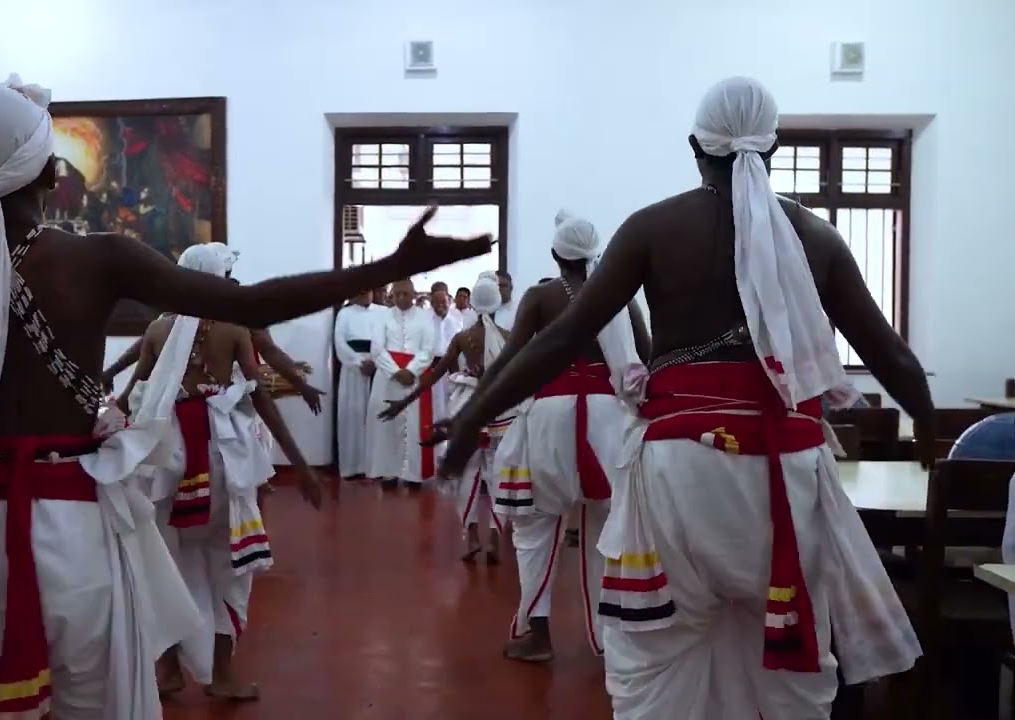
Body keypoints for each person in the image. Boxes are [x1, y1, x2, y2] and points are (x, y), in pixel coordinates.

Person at [0, 76, 491, 720]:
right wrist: (387, 264)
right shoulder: (99, 259)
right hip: (71, 528)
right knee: (90, 693)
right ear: (51, 175)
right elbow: (254, 303)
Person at [438, 76, 928, 718]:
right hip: (789, 474)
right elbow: (890, 355)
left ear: (696, 147)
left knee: (655, 651)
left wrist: (472, 416)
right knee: (786, 661)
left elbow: (562, 341)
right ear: (772, 147)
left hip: (680, 468)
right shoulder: (820, 239)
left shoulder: (650, 229)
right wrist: (933, 445)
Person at [118, 242, 322, 702]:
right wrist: (302, 465)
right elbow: (258, 396)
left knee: (166, 561)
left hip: (168, 459)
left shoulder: (158, 329)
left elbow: (135, 394)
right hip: (221, 458)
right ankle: (222, 674)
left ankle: (169, 669)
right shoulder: (231, 327)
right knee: (230, 567)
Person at [452, 212, 651, 664]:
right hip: (610, 419)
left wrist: (473, 408)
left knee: (537, 528)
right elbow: (647, 356)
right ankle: (610, 640)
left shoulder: (541, 295)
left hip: (548, 417)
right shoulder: (623, 298)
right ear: (595, 253)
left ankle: (537, 634)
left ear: (556, 255)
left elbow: (511, 360)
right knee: (609, 527)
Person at [381, 276, 511, 564]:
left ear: (473, 305)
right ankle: (496, 542)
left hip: (467, 409)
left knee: (468, 475)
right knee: (499, 476)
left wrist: (403, 401)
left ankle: (473, 537)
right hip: (501, 411)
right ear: (499, 303)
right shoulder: (510, 336)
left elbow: (433, 375)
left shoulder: (463, 338)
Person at [100, 295, 325, 416]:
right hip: (179, 414)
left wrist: (298, 381)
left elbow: (270, 351)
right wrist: (113, 372)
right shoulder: (173, 318)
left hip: (226, 409)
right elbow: (145, 347)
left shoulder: (241, 318)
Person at [366, 279, 434, 490]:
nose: (402, 298)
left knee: (414, 426)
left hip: (415, 377)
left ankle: (413, 475)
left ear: (414, 294)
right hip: (387, 379)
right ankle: (388, 473)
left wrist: (411, 370)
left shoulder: (425, 318)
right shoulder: (382, 317)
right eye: (398, 294)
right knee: (387, 426)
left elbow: (428, 350)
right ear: (392, 296)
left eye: (406, 293)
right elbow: (376, 348)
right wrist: (395, 371)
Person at [334, 289, 376, 479]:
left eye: (370, 291)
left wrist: (376, 361)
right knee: (353, 415)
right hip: (353, 370)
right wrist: (359, 362)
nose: (368, 295)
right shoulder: (345, 314)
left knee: (374, 417)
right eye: (364, 291)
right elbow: (340, 343)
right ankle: (352, 466)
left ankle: (373, 466)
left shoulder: (381, 312)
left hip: (378, 368)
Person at [428, 287, 463, 428]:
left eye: (444, 301)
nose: (441, 305)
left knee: (451, 406)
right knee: (434, 406)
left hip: (451, 369)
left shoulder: (456, 322)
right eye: (437, 302)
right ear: (432, 304)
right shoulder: (426, 322)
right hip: (432, 370)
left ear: (449, 302)